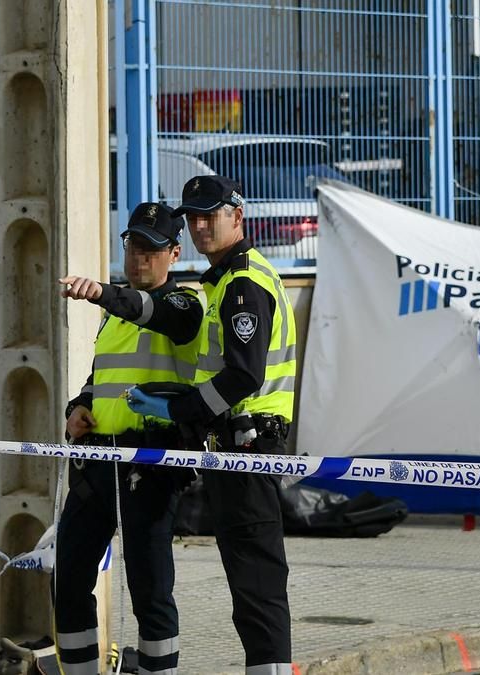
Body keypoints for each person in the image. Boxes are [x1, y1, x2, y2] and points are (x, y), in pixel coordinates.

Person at [125, 175, 298, 674]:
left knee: (258, 587)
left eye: (210, 216)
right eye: (193, 218)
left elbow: (244, 375)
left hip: (247, 447)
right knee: (249, 588)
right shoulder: (221, 280)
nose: (200, 226)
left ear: (237, 217)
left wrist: (179, 412)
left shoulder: (243, 283)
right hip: (230, 447)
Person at [53, 202, 202, 675]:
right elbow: (101, 382)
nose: (139, 257)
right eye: (132, 245)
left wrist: (101, 292)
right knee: (68, 576)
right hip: (99, 462)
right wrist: (77, 409)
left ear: (174, 253)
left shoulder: (184, 305)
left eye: (151, 249)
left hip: (150, 465)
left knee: (150, 589)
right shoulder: (113, 316)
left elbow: (151, 312)